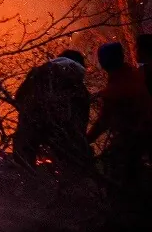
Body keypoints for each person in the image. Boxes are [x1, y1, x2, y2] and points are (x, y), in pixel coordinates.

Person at [12, 50, 91, 173]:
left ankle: (23, 180)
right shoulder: (81, 90)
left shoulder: (38, 73)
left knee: (22, 160)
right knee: (71, 166)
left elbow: (19, 98)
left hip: (32, 126)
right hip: (63, 135)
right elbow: (81, 124)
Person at [87, 42, 152, 184]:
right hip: (145, 135)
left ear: (103, 63)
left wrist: (85, 141)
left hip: (134, 142)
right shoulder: (136, 75)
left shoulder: (114, 92)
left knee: (110, 172)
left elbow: (103, 122)